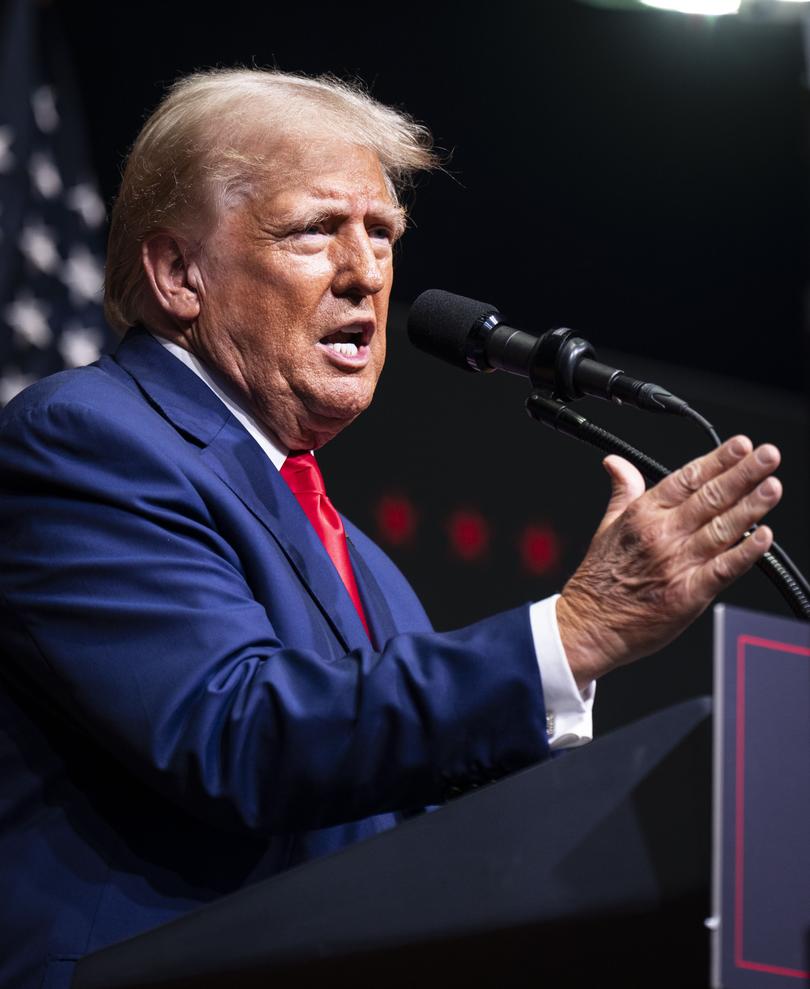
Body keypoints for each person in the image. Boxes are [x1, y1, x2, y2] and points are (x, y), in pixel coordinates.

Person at [0, 69, 782, 989]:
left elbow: (422, 827)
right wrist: (569, 634)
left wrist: (574, 729)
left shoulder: (372, 573)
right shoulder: (87, 439)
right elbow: (235, 732)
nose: (366, 272)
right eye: (314, 230)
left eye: (382, 235)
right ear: (179, 274)